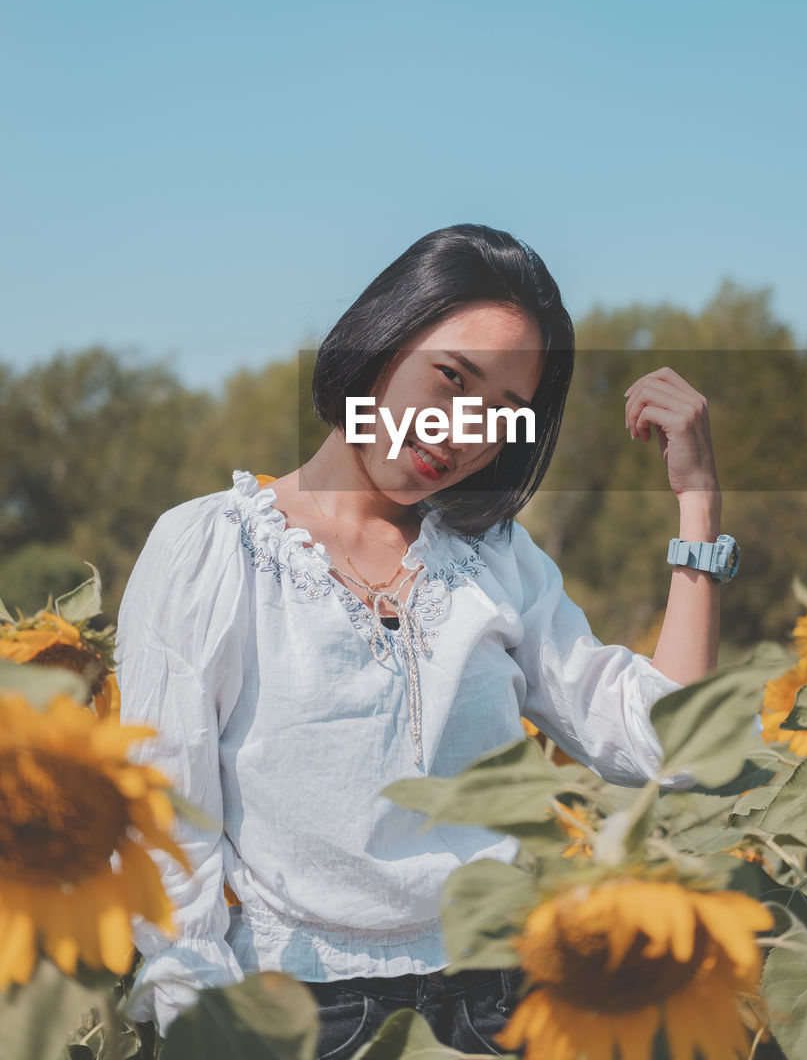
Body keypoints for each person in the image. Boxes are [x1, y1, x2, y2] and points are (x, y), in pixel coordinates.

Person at [114, 224, 727, 1057]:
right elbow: (166, 841)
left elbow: (672, 750)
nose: (465, 429)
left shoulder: (495, 563)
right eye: (451, 378)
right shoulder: (213, 550)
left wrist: (696, 507)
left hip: (504, 1008)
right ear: (380, 342)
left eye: (503, 415)